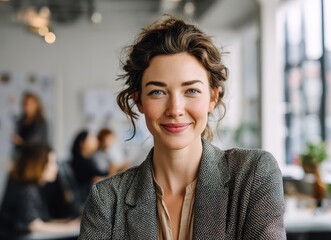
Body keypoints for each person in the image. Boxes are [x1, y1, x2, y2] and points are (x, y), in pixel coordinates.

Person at [79, 15, 286, 239]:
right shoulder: (108, 200)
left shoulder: (252, 175)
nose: (175, 109)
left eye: (191, 91)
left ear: (212, 97)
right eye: (157, 92)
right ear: (138, 101)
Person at [0, 143, 80, 238]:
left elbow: (41, 221)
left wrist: (69, 223)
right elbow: (34, 225)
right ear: (39, 164)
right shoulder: (26, 190)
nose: (56, 168)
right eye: (52, 163)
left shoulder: (29, 186)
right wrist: (69, 227)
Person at [70, 129, 107, 209]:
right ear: (82, 143)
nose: (95, 141)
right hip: (84, 199)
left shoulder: (90, 159)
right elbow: (96, 176)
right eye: (91, 139)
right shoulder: (80, 161)